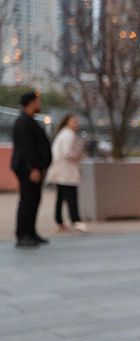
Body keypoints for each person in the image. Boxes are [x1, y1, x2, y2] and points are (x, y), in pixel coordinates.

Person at [10, 90, 52, 248]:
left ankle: (31, 232)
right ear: (31, 103)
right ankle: (23, 235)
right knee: (27, 200)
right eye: (37, 101)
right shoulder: (24, 122)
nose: (39, 104)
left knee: (34, 200)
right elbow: (27, 148)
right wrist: (33, 168)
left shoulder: (29, 120)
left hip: (34, 168)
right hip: (28, 169)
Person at [45, 114, 87, 233]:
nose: (76, 124)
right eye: (74, 122)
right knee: (71, 197)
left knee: (61, 197)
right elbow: (68, 153)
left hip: (60, 170)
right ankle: (76, 220)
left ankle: (60, 221)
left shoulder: (62, 134)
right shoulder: (69, 135)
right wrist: (78, 156)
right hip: (66, 171)